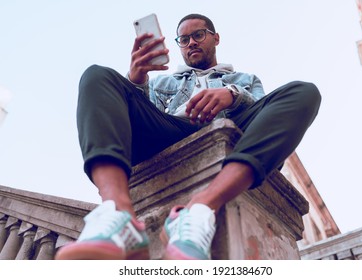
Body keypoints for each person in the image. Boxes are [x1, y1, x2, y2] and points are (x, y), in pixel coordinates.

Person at [55, 13, 321, 260]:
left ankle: (200, 209)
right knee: (96, 74)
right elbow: (140, 118)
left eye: (199, 35)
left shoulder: (245, 79)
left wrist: (233, 95)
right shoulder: (161, 83)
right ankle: (117, 215)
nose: (191, 42)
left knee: (304, 91)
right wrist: (136, 80)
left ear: (216, 38)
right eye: (184, 39)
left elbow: (267, 114)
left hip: (232, 127)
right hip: (172, 131)